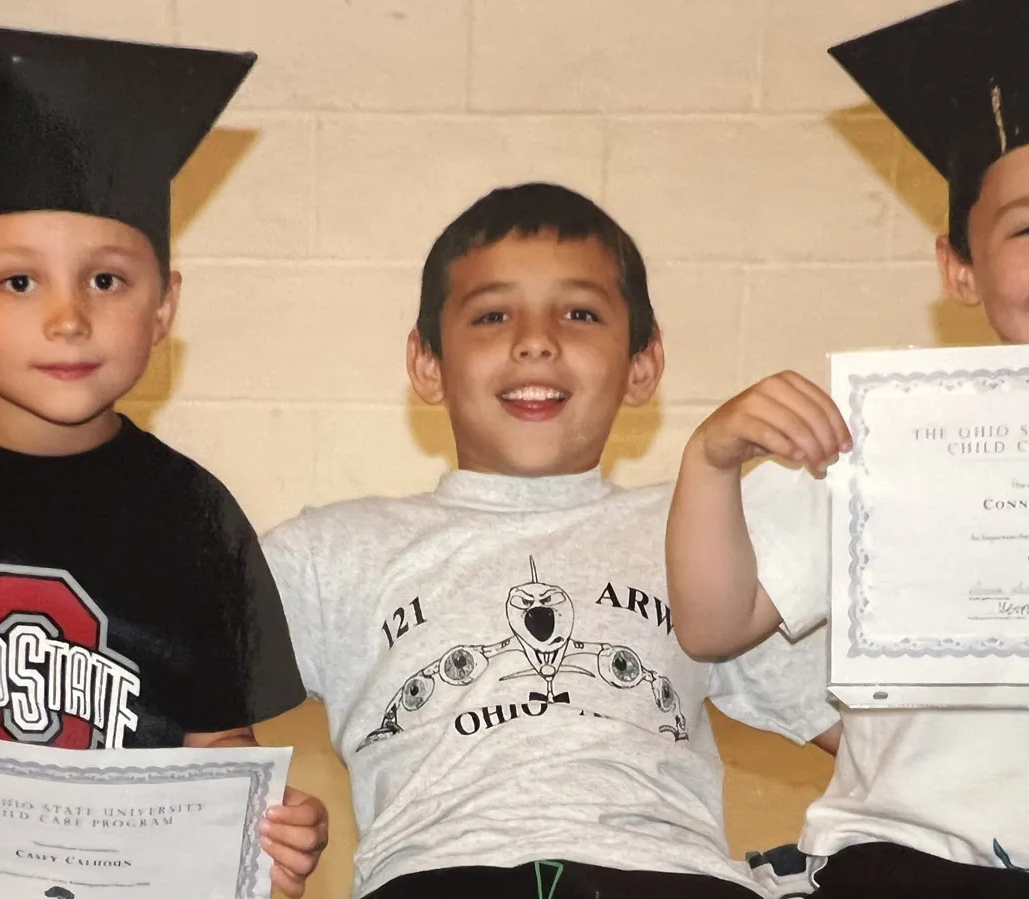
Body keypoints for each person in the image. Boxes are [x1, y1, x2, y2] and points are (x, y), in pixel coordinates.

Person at [666, 1, 1029, 897]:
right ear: (959, 268)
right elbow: (712, 623)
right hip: (915, 858)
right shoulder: (885, 437)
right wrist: (710, 461)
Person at [262, 181, 839, 899]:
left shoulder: (702, 522)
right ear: (427, 363)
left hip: (666, 876)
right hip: (438, 879)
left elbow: (882, 737)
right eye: (492, 313)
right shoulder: (329, 551)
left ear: (642, 364)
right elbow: (157, 673)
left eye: (580, 312)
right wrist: (250, 825)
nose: (535, 340)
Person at [0, 24, 327, 897]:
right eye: (20, 281)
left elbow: (220, 752)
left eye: (107, 280)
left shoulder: (196, 518)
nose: (67, 319)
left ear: (165, 306)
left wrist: (268, 837)